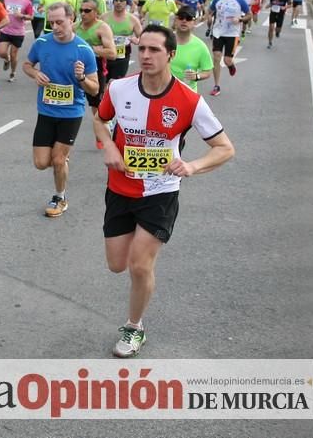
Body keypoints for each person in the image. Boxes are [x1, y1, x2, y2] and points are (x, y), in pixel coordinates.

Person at [93, 24, 234, 357]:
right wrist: (109, 148)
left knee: (140, 265)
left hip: (160, 191)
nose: (145, 55)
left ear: (170, 54)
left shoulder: (189, 100)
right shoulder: (119, 89)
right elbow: (100, 120)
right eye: (141, 48)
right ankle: (137, 296)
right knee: (117, 264)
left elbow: (225, 148)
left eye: (154, 50)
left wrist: (191, 166)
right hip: (120, 188)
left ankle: (134, 327)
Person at [23, 2, 99, 217]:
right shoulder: (42, 43)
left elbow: (95, 89)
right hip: (46, 111)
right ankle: (61, 161)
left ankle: (60, 197)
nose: (55, 27)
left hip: (70, 113)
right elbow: (27, 65)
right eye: (51, 22)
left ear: (71, 20)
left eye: (60, 22)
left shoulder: (84, 50)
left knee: (57, 160)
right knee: (41, 163)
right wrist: (34, 73)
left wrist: (82, 78)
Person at [75, 0, 116, 148]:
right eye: (81, 10)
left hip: (96, 67)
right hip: (76, 66)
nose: (83, 14)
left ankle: (102, 129)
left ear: (96, 13)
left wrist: (90, 50)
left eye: (87, 11)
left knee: (96, 104)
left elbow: (112, 53)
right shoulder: (75, 27)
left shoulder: (102, 28)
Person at [206, 0, 250, 97]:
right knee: (216, 57)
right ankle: (216, 86)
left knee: (226, 60)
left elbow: (249, 15)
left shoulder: (240, 1)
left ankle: (231, 65)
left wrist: (240, 19)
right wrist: (209, 18)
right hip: (218, 32)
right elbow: (209, 11)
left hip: (232, 34)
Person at [169, 6, 213, 92]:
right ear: (176, 20)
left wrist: (197, 76)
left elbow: (207, 72)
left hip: (187, 93)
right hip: (164, 91)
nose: (184, 21)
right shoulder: (165, 41)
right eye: (181, 17)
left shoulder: (200, 46)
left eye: (188, 18)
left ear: (194, 22)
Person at [0, 0, 34, 82]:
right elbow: (1, 11)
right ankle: (6, 59)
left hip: (18, 32)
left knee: (14, 54)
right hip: (6, 30)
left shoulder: (26, 1)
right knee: (1, 52)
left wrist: (22, 16)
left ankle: (12, 72)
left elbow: (31, 17)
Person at [102, 0, 142, 83]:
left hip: (122, 56)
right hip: (106, 54)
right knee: (103, 81)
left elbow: (142, 37)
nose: (118, 3)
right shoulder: (104, 17)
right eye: (116, 0)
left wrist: (137, 40)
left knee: (117, 82)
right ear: (113, 2)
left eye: (122, 0)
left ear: (126, 3)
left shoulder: (133, 20)